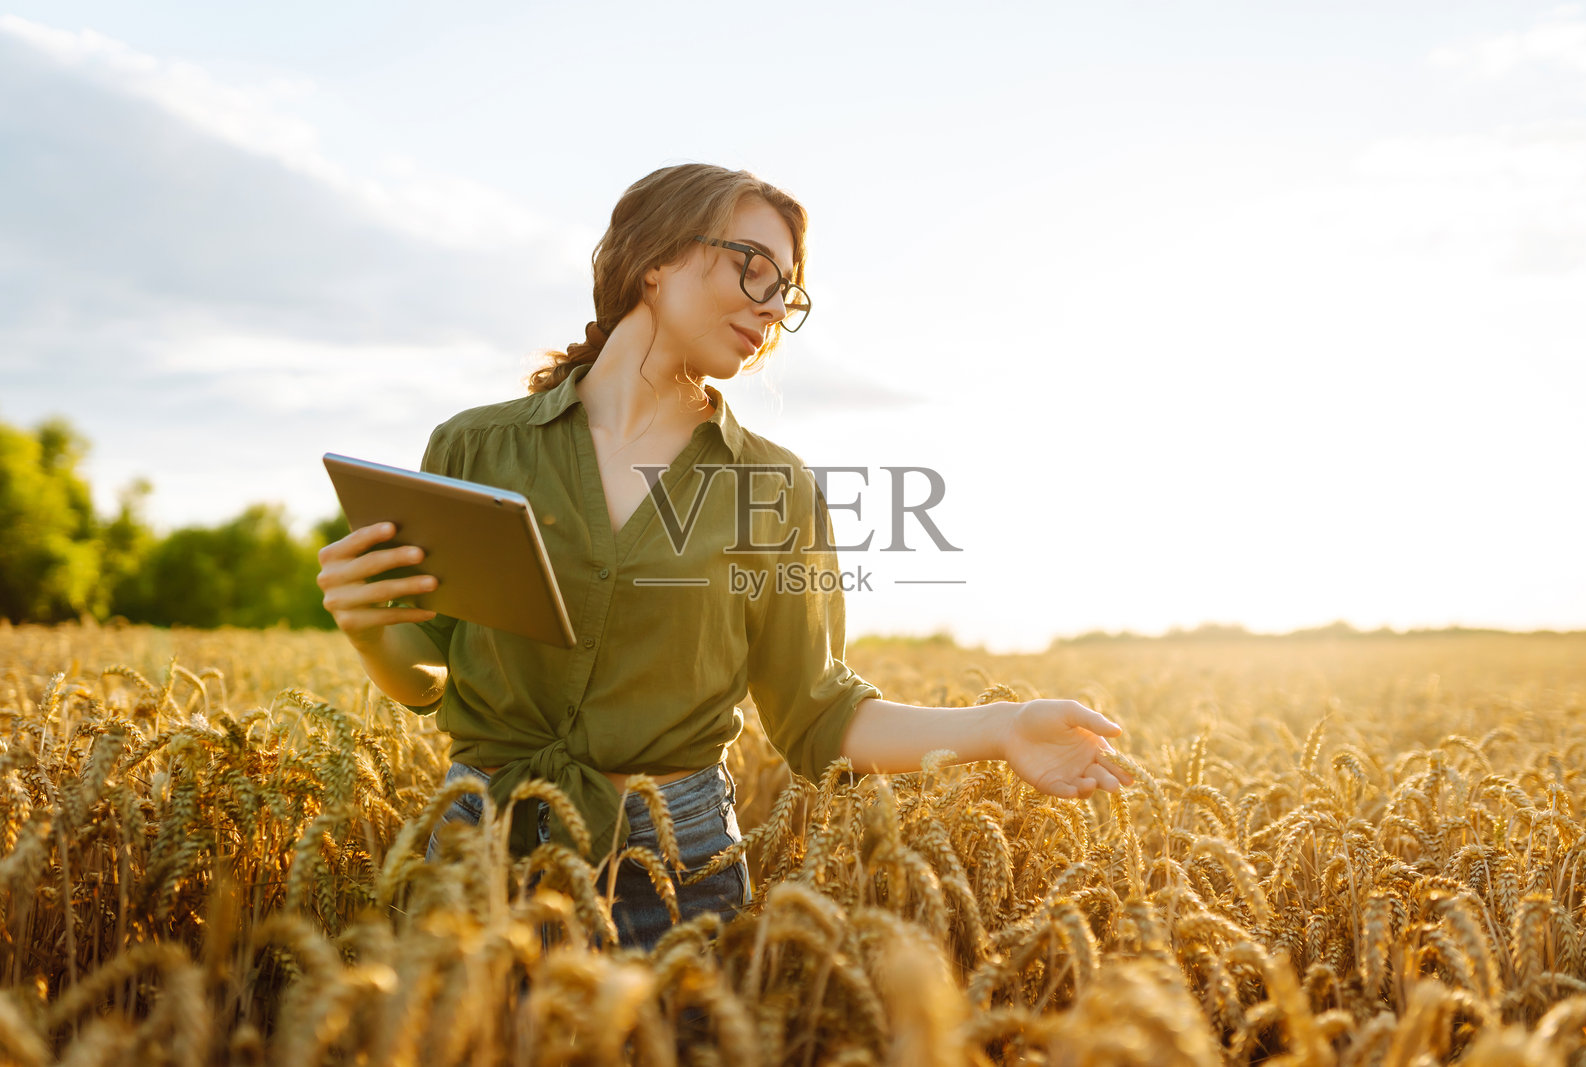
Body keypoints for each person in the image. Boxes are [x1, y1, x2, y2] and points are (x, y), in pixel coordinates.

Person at [315, 162, 1134, 952]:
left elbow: (820, 714)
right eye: (756, 270)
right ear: (655, 260)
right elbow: (428, 679)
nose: (774, 307)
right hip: (479, 843)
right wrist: (367, 628)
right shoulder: (475, 446)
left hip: (675, 863)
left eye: (789, 292)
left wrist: (1003, 725)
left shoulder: (776, 487)